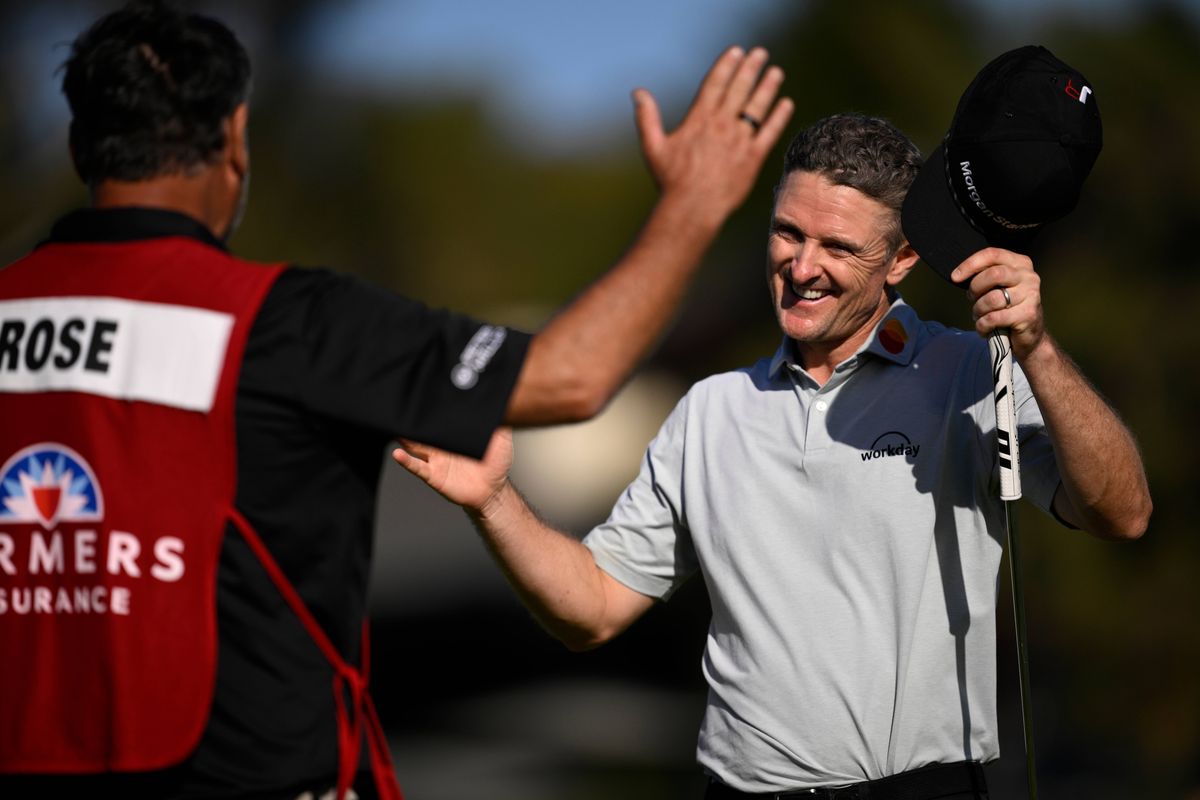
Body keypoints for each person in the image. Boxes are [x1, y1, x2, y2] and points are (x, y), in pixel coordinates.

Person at [0, 1, 794, 798]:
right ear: (235, 137)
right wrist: (693, 203)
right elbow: (569, 377)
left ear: (78, 147)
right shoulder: (289, 321)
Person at [393, 106, 1153, 798]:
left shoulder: (968, 372)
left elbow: (1122, 511)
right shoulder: (709, 411)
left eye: (838, 246)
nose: (802, 265)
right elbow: (591, 608)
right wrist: (493, 500)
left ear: (901, 260)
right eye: (789, 232)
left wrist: (1036, 349)